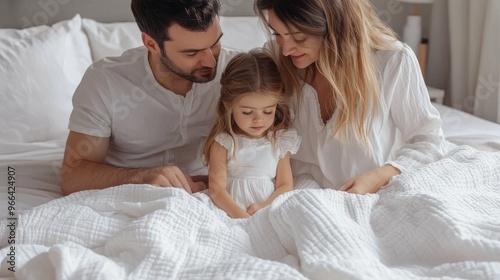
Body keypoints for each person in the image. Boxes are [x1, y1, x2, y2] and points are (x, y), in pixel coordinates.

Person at [255, 0, 447, 194]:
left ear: (335, 26)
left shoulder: (392, 60)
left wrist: (381, 175)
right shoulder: (274, 58)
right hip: (294, 192)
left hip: (370, 193)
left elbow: (428, 140)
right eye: (277, 34)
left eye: (300, 37)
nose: (286, 49)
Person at [60, 0, 239, 195]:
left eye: (214, 44)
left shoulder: (238, 72)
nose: (211, 61)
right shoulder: (105, 82)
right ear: (151, 44)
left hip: (207, 191)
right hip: (127, 190)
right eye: (192, 53)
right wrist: (143, 177)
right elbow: (72, 176)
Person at [202, 49, 301, 218]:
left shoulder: (280, 141)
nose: (258, 120)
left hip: (268, 210)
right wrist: (243, 217)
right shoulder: (224, 142)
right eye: (247, 112)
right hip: (229, 211)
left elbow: (285, 186)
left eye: (268, 112)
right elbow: (217, 190)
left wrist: (263, 207)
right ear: (228, 106)